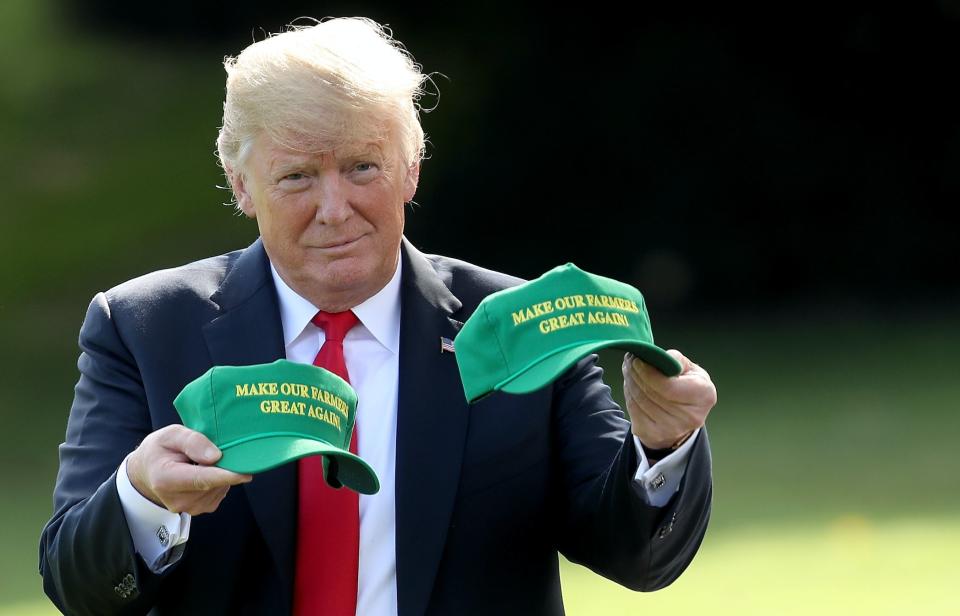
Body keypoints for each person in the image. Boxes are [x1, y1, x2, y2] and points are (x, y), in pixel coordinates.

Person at [39, 17, 717, 616]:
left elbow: (635, 557)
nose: (335, 208)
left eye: (364, 167)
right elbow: (79, 587)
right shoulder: (145, 328)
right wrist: (143, 496)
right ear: (241, 184)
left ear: (412, 169)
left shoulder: (519, 323)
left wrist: (660, 448)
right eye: (298, 176)